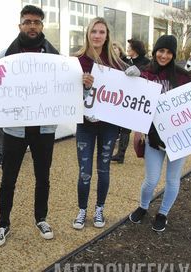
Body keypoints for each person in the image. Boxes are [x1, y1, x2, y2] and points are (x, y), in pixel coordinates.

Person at [0, 5, 59, 247]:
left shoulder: (54, 54)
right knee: (9, 178)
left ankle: (41, 218)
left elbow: (65, 85)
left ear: (42, 26)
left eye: (36, 22)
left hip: (44, 127)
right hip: (14, 129)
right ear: (20, 26)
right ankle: (3, 223)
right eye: (27, 21)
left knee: (43, 177)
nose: (32, 26)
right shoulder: (5, 54)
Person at [128, 34, 191, 232]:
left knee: (173, 180)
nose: (164, 55)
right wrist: (129, 77)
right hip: (154, 137)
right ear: (155, 51)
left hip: (179, 138)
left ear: (173, 54)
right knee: (151, 179)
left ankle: (163, 213)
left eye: (168, 52)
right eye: (160, 50)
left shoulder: (184, 77)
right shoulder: (146, 73)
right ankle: (143, 206)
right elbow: (135, 103)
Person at [72, 17, 127, 230]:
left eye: (101, 32)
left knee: (104, 169)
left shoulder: (117, 64)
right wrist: (83, 88)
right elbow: (65, 95)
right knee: (84, 170)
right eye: (94, 31)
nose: (97, 35)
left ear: (107, 36)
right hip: (85, 125)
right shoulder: (76, 61)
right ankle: (82, 210)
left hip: (109, 126)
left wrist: (135, 74)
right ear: (88, 33)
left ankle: (99, 208)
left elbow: (130, 92)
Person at [112, 38, 150, 164]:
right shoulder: (127, 62)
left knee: (146, 129)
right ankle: (120, 154)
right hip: (128, 99)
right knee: (125, 127)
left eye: (130, 47)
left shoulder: (146, 62)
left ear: (136, 49)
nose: (127, 49)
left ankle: (148, 152)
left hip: (143, 101)